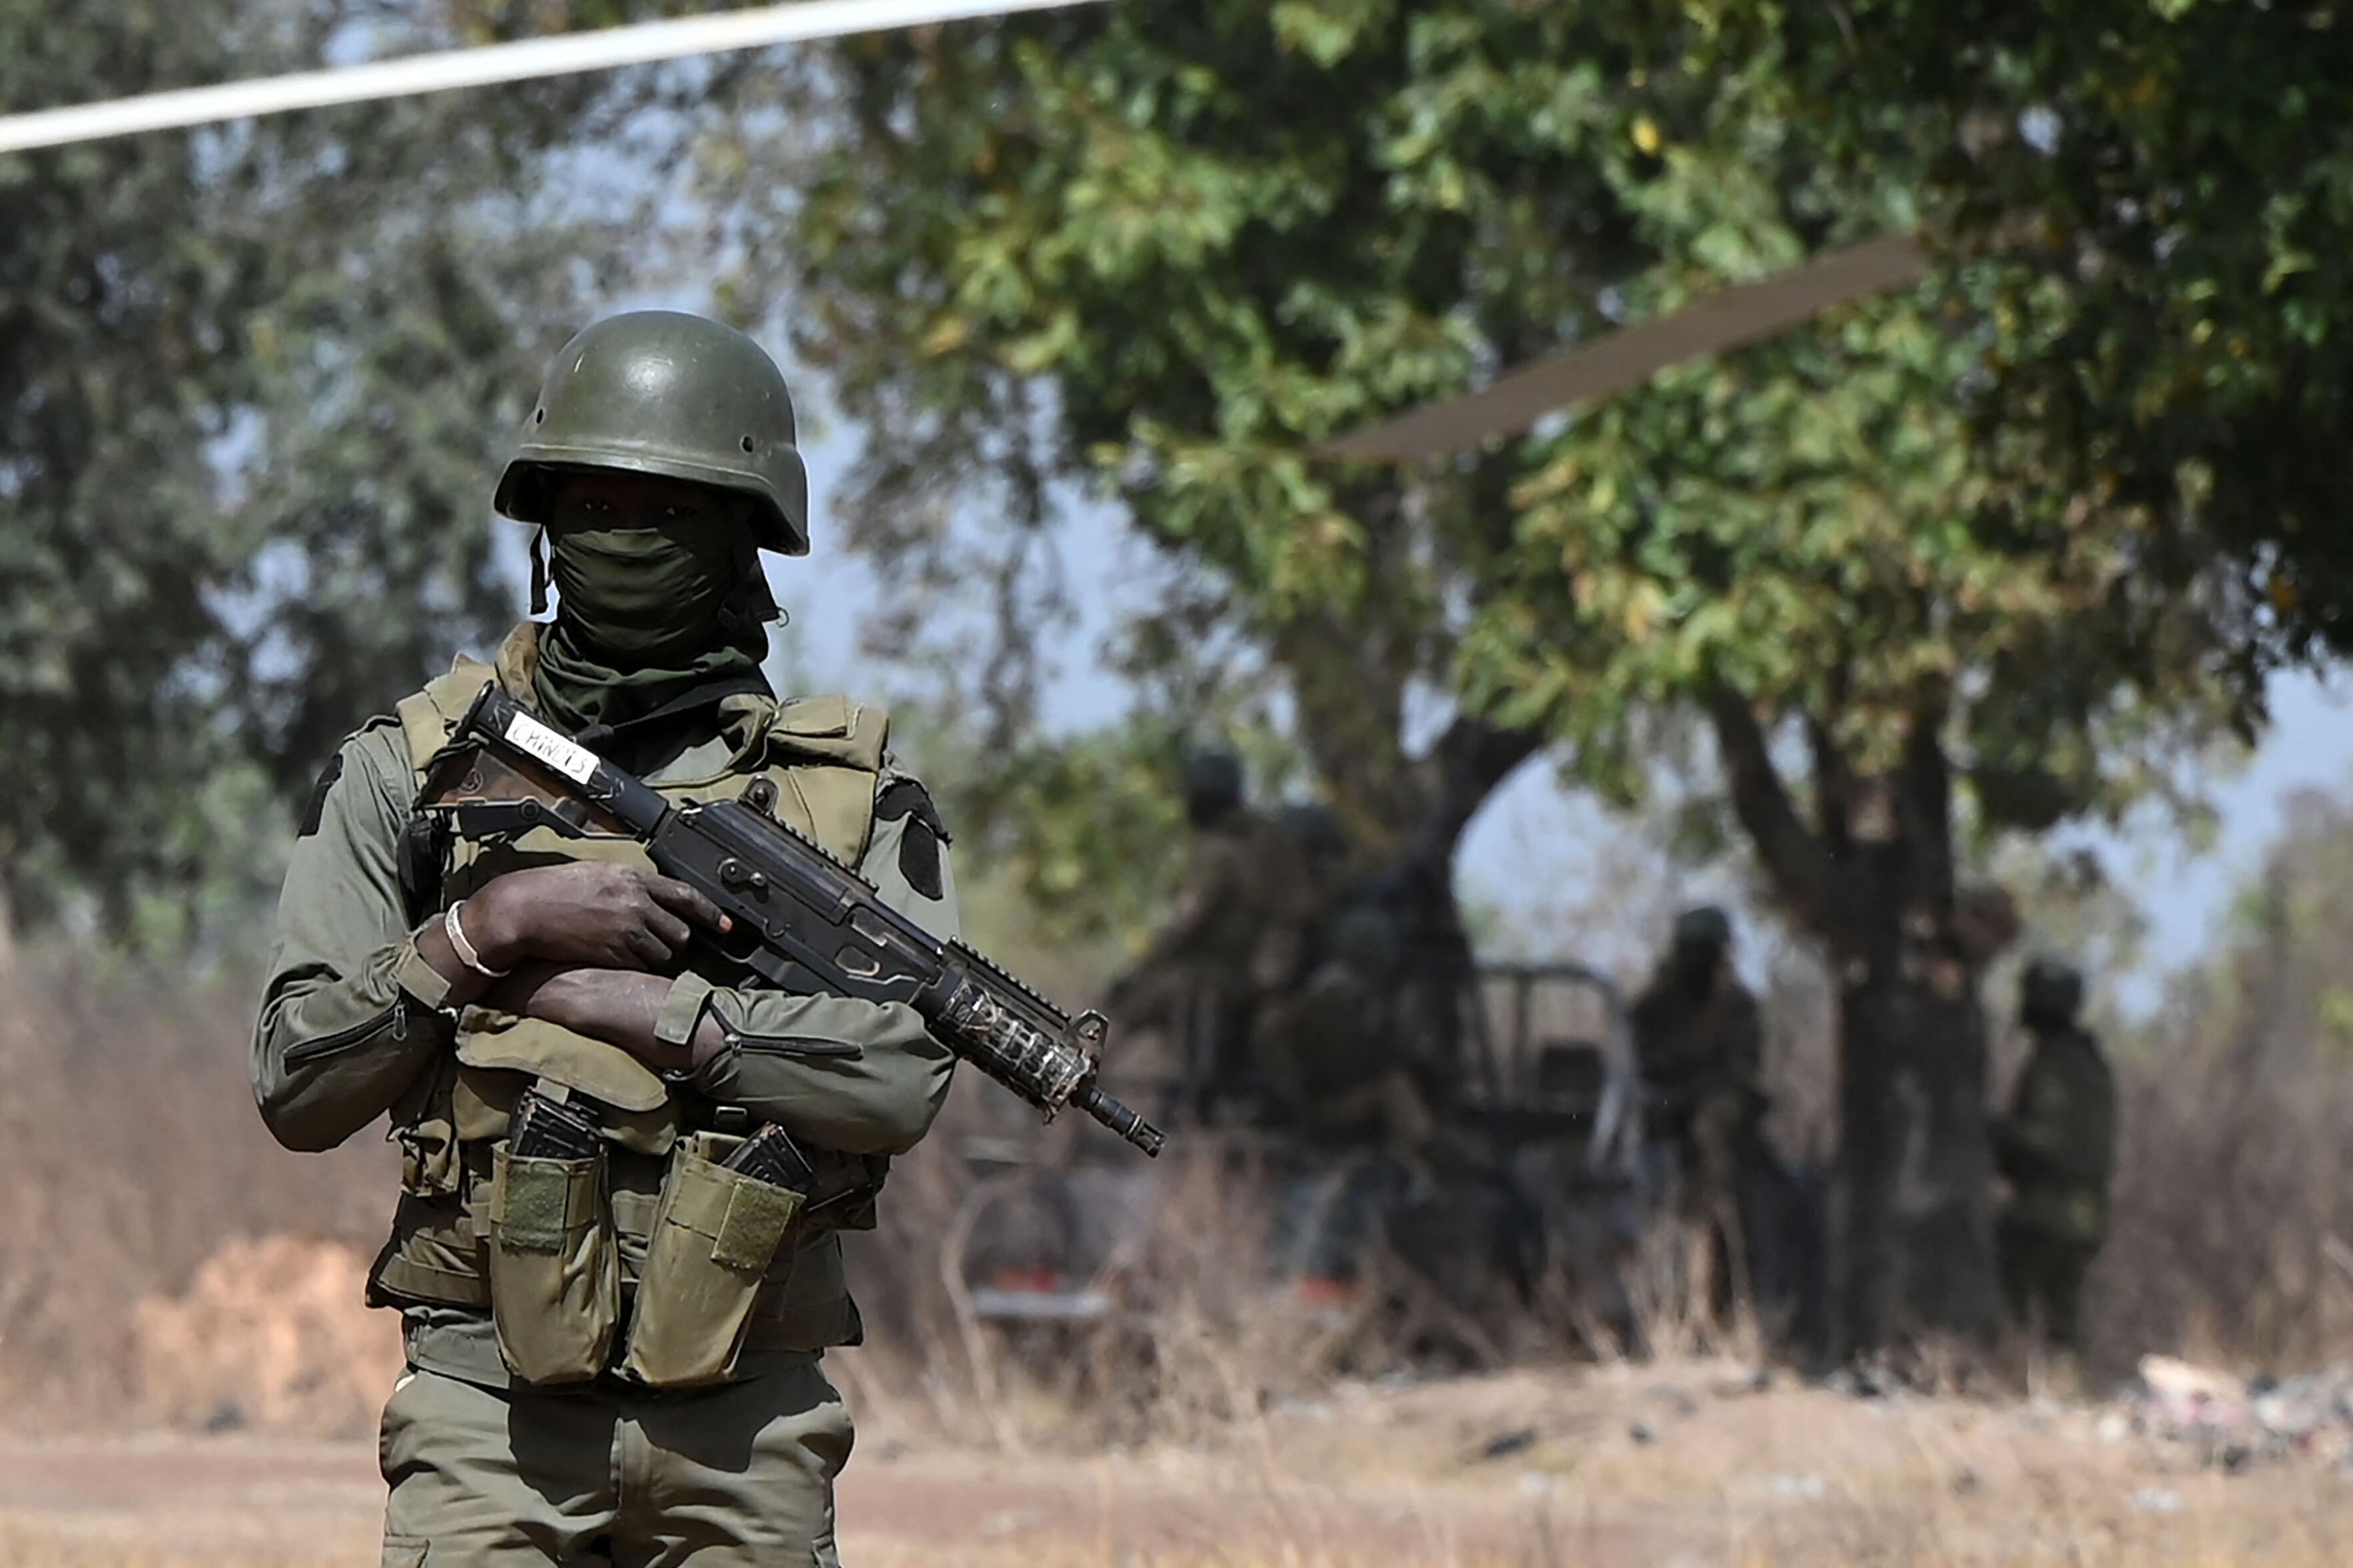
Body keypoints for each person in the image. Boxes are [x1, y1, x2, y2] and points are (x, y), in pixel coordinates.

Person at [252, 312, 960, 1567]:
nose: (627, 535)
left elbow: (902, 1078)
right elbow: (298, 1081)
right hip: (486, 1415)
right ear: (544, 524)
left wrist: (665, 1017)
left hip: (748, 1419)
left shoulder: (843, 802)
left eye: (670, 510)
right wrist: (487, 930)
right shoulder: (414, 770)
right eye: (594, 503)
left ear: (744, 535)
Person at [1107, 748, 1299, 1122]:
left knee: (1127, 1003)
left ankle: (1068, 1081)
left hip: (1213, 980)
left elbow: (1187, 925)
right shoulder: (1272, 843)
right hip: (1260, 982)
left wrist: (1135, 973)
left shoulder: (1215, 850)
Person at [1993, 957, 2117, 1362]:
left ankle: (2002, 1376)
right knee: (2064, 1322)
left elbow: (2049, 1143)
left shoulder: (2057, 1064)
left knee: (2003, 1298)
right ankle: (2068, 1387)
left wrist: (1990, 1133)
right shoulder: (2090, 1062)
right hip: (2086, 1214)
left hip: (2048, 1210)